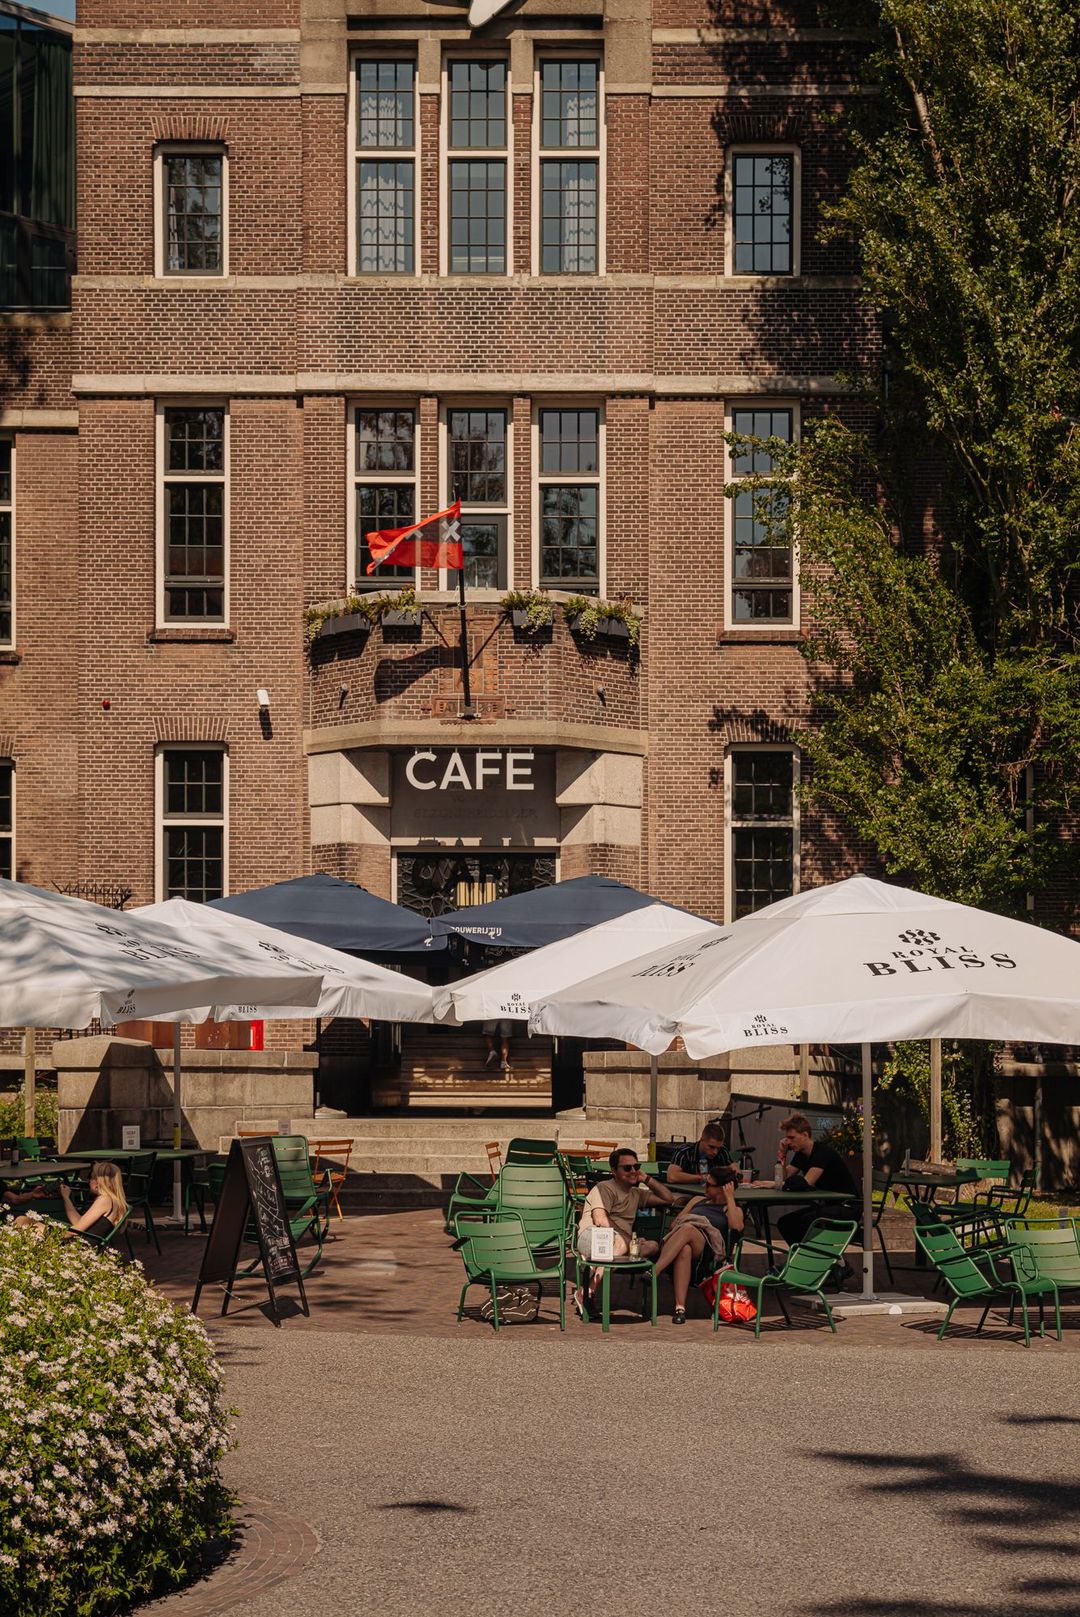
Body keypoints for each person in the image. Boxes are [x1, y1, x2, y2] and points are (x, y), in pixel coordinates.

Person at [575, 1147, 676, 1316]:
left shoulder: (636, 1193)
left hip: (619, 1244)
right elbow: (601, 1220)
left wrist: (646, 1178)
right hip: (592, 1236)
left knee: (652, 1246)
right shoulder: (603, 1188)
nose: (633, 1171)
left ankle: (593, 1268)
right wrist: (630, 1240)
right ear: (613, 1171)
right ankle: (588, 1292)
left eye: (636, 1167)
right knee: (621, 1243)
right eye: (627, 1168)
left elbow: (668, 1198)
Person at [652, 1163, 745, 1323]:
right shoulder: (697, 1200)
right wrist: (693, 1222)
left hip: (708, 1252)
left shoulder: (732, 1209)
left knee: (688, 1228)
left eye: (710, 1184)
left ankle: (655, 1270)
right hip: (683, 1245)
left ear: (723, 1188)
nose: (705, 1187)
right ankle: (680, 1308)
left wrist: (730, 1198)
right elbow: (675, 1225)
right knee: (685, 1249)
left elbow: (736, 1228)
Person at [774, 1112, 858, 1251]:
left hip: (847, 1206)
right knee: (785, 1223)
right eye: (786, 1138)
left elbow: (807, 1183)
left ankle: (832, 1260)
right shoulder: (801, 1154)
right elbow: (786, 1177)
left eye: (792, 1138)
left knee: (808, 1220)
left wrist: (775, 1185)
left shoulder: (821, 1153)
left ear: (805, 1135)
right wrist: (782, 1156)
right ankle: (802, 1259)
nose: (788, 1142)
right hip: (828, 1205)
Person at [665, 1118, 734, 1188]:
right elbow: (671, 1176)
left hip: (712, 1194)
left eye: (718, 1148)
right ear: (702, 1140)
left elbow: (736, 1171)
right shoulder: (685, 1151)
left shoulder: (722, 1151)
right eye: (711, 1147)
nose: (715, 1152)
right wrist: (702, 1178)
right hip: (686, 1193)